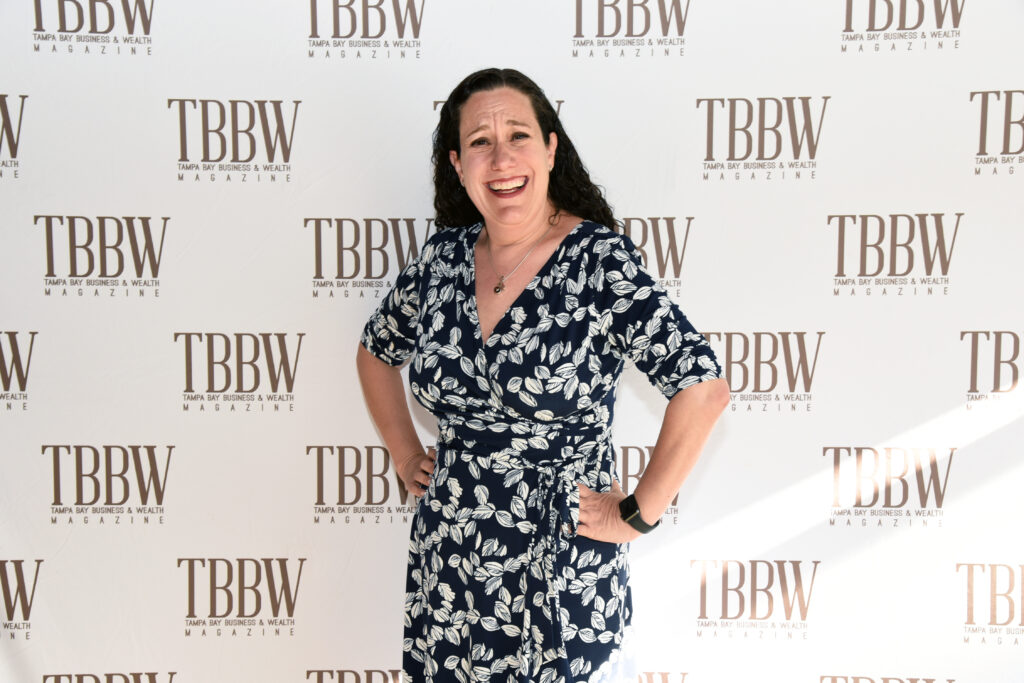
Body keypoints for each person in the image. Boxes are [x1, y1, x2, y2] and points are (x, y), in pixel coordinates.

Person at [356, 68, 728, 683]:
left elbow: (703, 387)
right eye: (480, 141)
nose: (501, 158)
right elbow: (376, 351)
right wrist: (404, 452)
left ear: (551, 149)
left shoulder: (598, 261)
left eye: (519, 135)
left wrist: (637, 514)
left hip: (558, 561)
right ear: (457, 164)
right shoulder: (443, 259)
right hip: (449, 558)